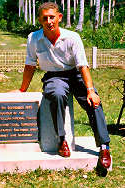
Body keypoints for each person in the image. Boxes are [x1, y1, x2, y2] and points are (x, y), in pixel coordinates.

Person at [12, 2, 111, 169]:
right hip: (54, 76)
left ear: (59, 18)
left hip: (75, 73)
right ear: (40, 20)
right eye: (45, 18)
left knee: (94, 101)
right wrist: (22, 90)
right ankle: (61, 140)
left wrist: (90, 90)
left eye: (52, 17)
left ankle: (104, 147)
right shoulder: (33, 38)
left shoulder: (73, 37)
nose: (49, 21)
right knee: (56, 94)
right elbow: (30, 66)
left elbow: (83, 66)